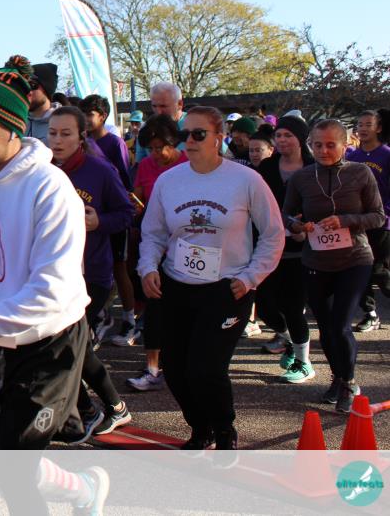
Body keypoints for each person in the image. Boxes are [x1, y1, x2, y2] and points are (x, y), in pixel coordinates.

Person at [0, 67, 108, 514]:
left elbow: (51, 290)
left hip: (47, 342)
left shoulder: (50, 188)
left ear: (12, 127)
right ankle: (83, 490)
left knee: (12, 467)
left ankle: (78, 490)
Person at [138, 106, 283, 451]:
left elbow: (274, 233)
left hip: (226, 288)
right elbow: (153, 232)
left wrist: (250, 277)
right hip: (176, 285)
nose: (189, 140)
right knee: (175, 369)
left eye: (198, 134)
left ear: (219, 137)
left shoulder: (246, 180)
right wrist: (148, 268)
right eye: (184, 134)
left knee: (206, 368)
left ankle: (223, 429)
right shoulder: (169, 181)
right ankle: (200, 428)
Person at [284, 119, 386, 412]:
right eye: (317, 145)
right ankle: (338, 377)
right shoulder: (302, 177)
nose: (323, 151)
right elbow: (286, 214)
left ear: (345, 145)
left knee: (341, 325)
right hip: (316, 260)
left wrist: (345, 220)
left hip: (354, 259)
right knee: (326, 328)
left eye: (331, 145)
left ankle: (349, 382)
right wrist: (298, 225)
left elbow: (378, 216)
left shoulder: (360, 172)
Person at [48, 107, 134, 439]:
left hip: (91, 276)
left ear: (82, 136)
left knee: (71, 345)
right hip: (53, 273)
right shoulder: (42, 171)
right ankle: (90, 409)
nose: (57, 140)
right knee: (65, 345)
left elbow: (127, 212)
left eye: (66, 133)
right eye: (52, 133)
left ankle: (108, 408)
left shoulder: (100, 170)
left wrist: (100, 221)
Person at [118, 115, 188, 387]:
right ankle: (152, 368)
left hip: (184, 247)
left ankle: (181, 363)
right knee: (154, 307)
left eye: (161, 147)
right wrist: (135, 205)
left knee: (182, 310)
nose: (156, 154)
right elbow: (138, 197)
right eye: (151, 148)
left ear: (174, 143)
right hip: (153, 244)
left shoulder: (188, 164)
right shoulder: (146, 165)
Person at [255, 115, 314, 382]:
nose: (281, 140)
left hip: (302, 249)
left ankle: (304, 363)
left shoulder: (313, 167)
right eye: (278, 135)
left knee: (293, 307)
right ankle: (290, 341)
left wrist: (304, 226)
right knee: (265, 307)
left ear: (300, 139)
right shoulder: (267, 167)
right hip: (269, 244)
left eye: (288, 135)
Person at [80, 94, 135, 345]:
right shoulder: (84, 141)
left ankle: (129, 318)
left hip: (111, 214)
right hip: (92, 217)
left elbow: (124, 180)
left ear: (102, 116)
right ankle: (101, 316)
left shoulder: (114, 142)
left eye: (90, 114)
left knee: (119, 267)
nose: (86, 119)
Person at [347, 109, 390, 332]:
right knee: (359, 268)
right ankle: (370, 313)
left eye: (368, 124)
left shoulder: (386, 155)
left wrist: (385, 213)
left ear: (379, 128)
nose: (362, 129)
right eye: (359, 124)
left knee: (380, 270)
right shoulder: (352, 157)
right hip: (357, 222)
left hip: (382, 223)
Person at [26, 62, 57, 140]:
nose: (26, 90)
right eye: (23, 85)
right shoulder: (16, 121)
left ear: (47, 89)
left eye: (32, 85)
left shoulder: (64, 121)